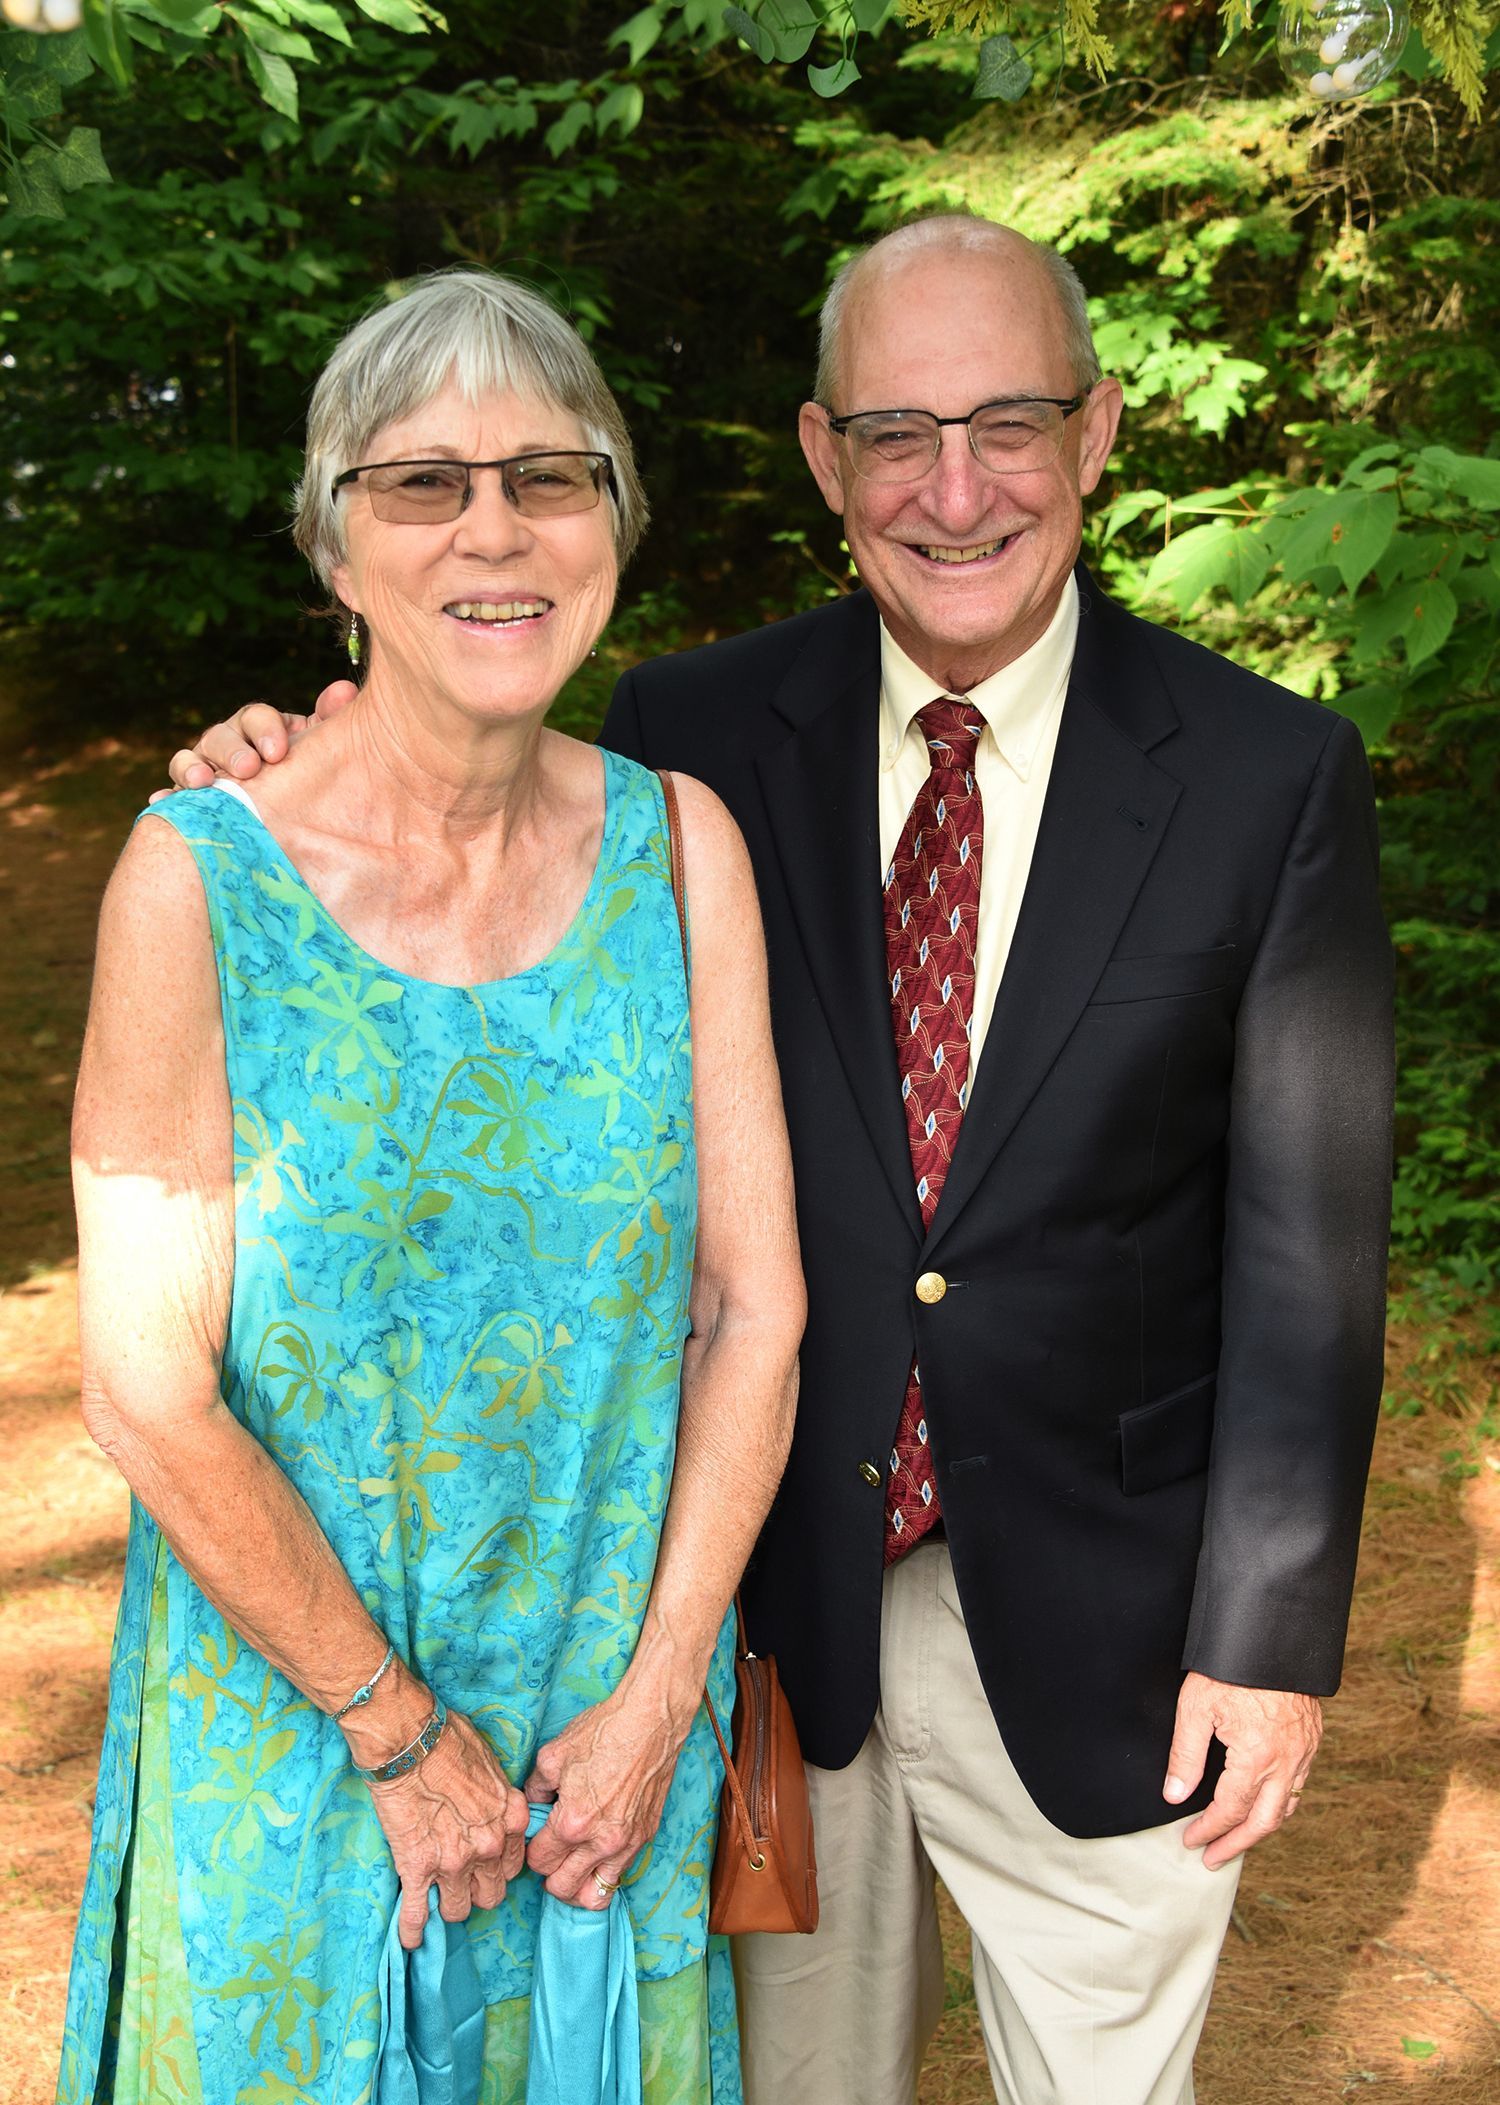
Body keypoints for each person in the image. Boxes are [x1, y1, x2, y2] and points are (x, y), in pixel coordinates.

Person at [165, 216, 1395, 2105]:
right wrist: (277, 753)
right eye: (899, 431)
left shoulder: (1267, 774)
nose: (958, 488)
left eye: (1011, 424)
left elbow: (1310, 1258)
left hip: (1117, 1614)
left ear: (1101, 433)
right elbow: (463, 827)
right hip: (768, 1608)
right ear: (826, 460)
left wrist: (1273, 1638)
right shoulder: (692, 738)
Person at [59, 269, 803, 2105]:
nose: (497, 528)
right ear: (336, 544)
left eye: (553, 477)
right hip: (300, 1756)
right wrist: (397, 1738)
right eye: (425, 484)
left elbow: (755, 1308)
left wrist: (656, 1710)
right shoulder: (196, 881)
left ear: (615, 529)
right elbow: (146, 1389)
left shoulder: (682, 848)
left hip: (596, 1768)